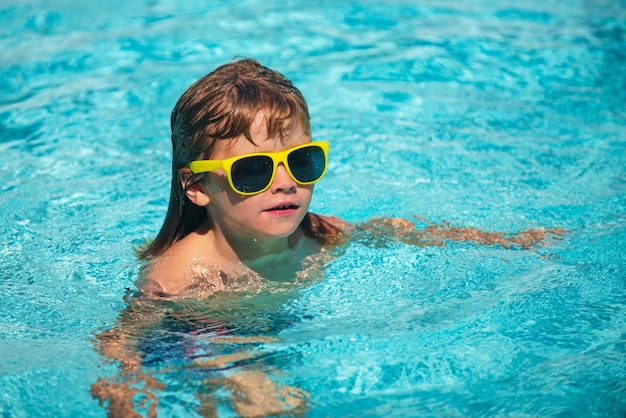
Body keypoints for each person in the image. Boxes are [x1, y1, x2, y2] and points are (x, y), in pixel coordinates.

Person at [92, 58, 564, 416]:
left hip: (272, 324)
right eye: (253, 171)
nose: (285, 183)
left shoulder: (316, 234)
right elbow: (122, 339)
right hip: (195, 332)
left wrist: (499, 240)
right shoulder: (179, 278)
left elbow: (393, 232)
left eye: (302, 161)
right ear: (197, 187)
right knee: (267, 399)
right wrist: (128, 392)